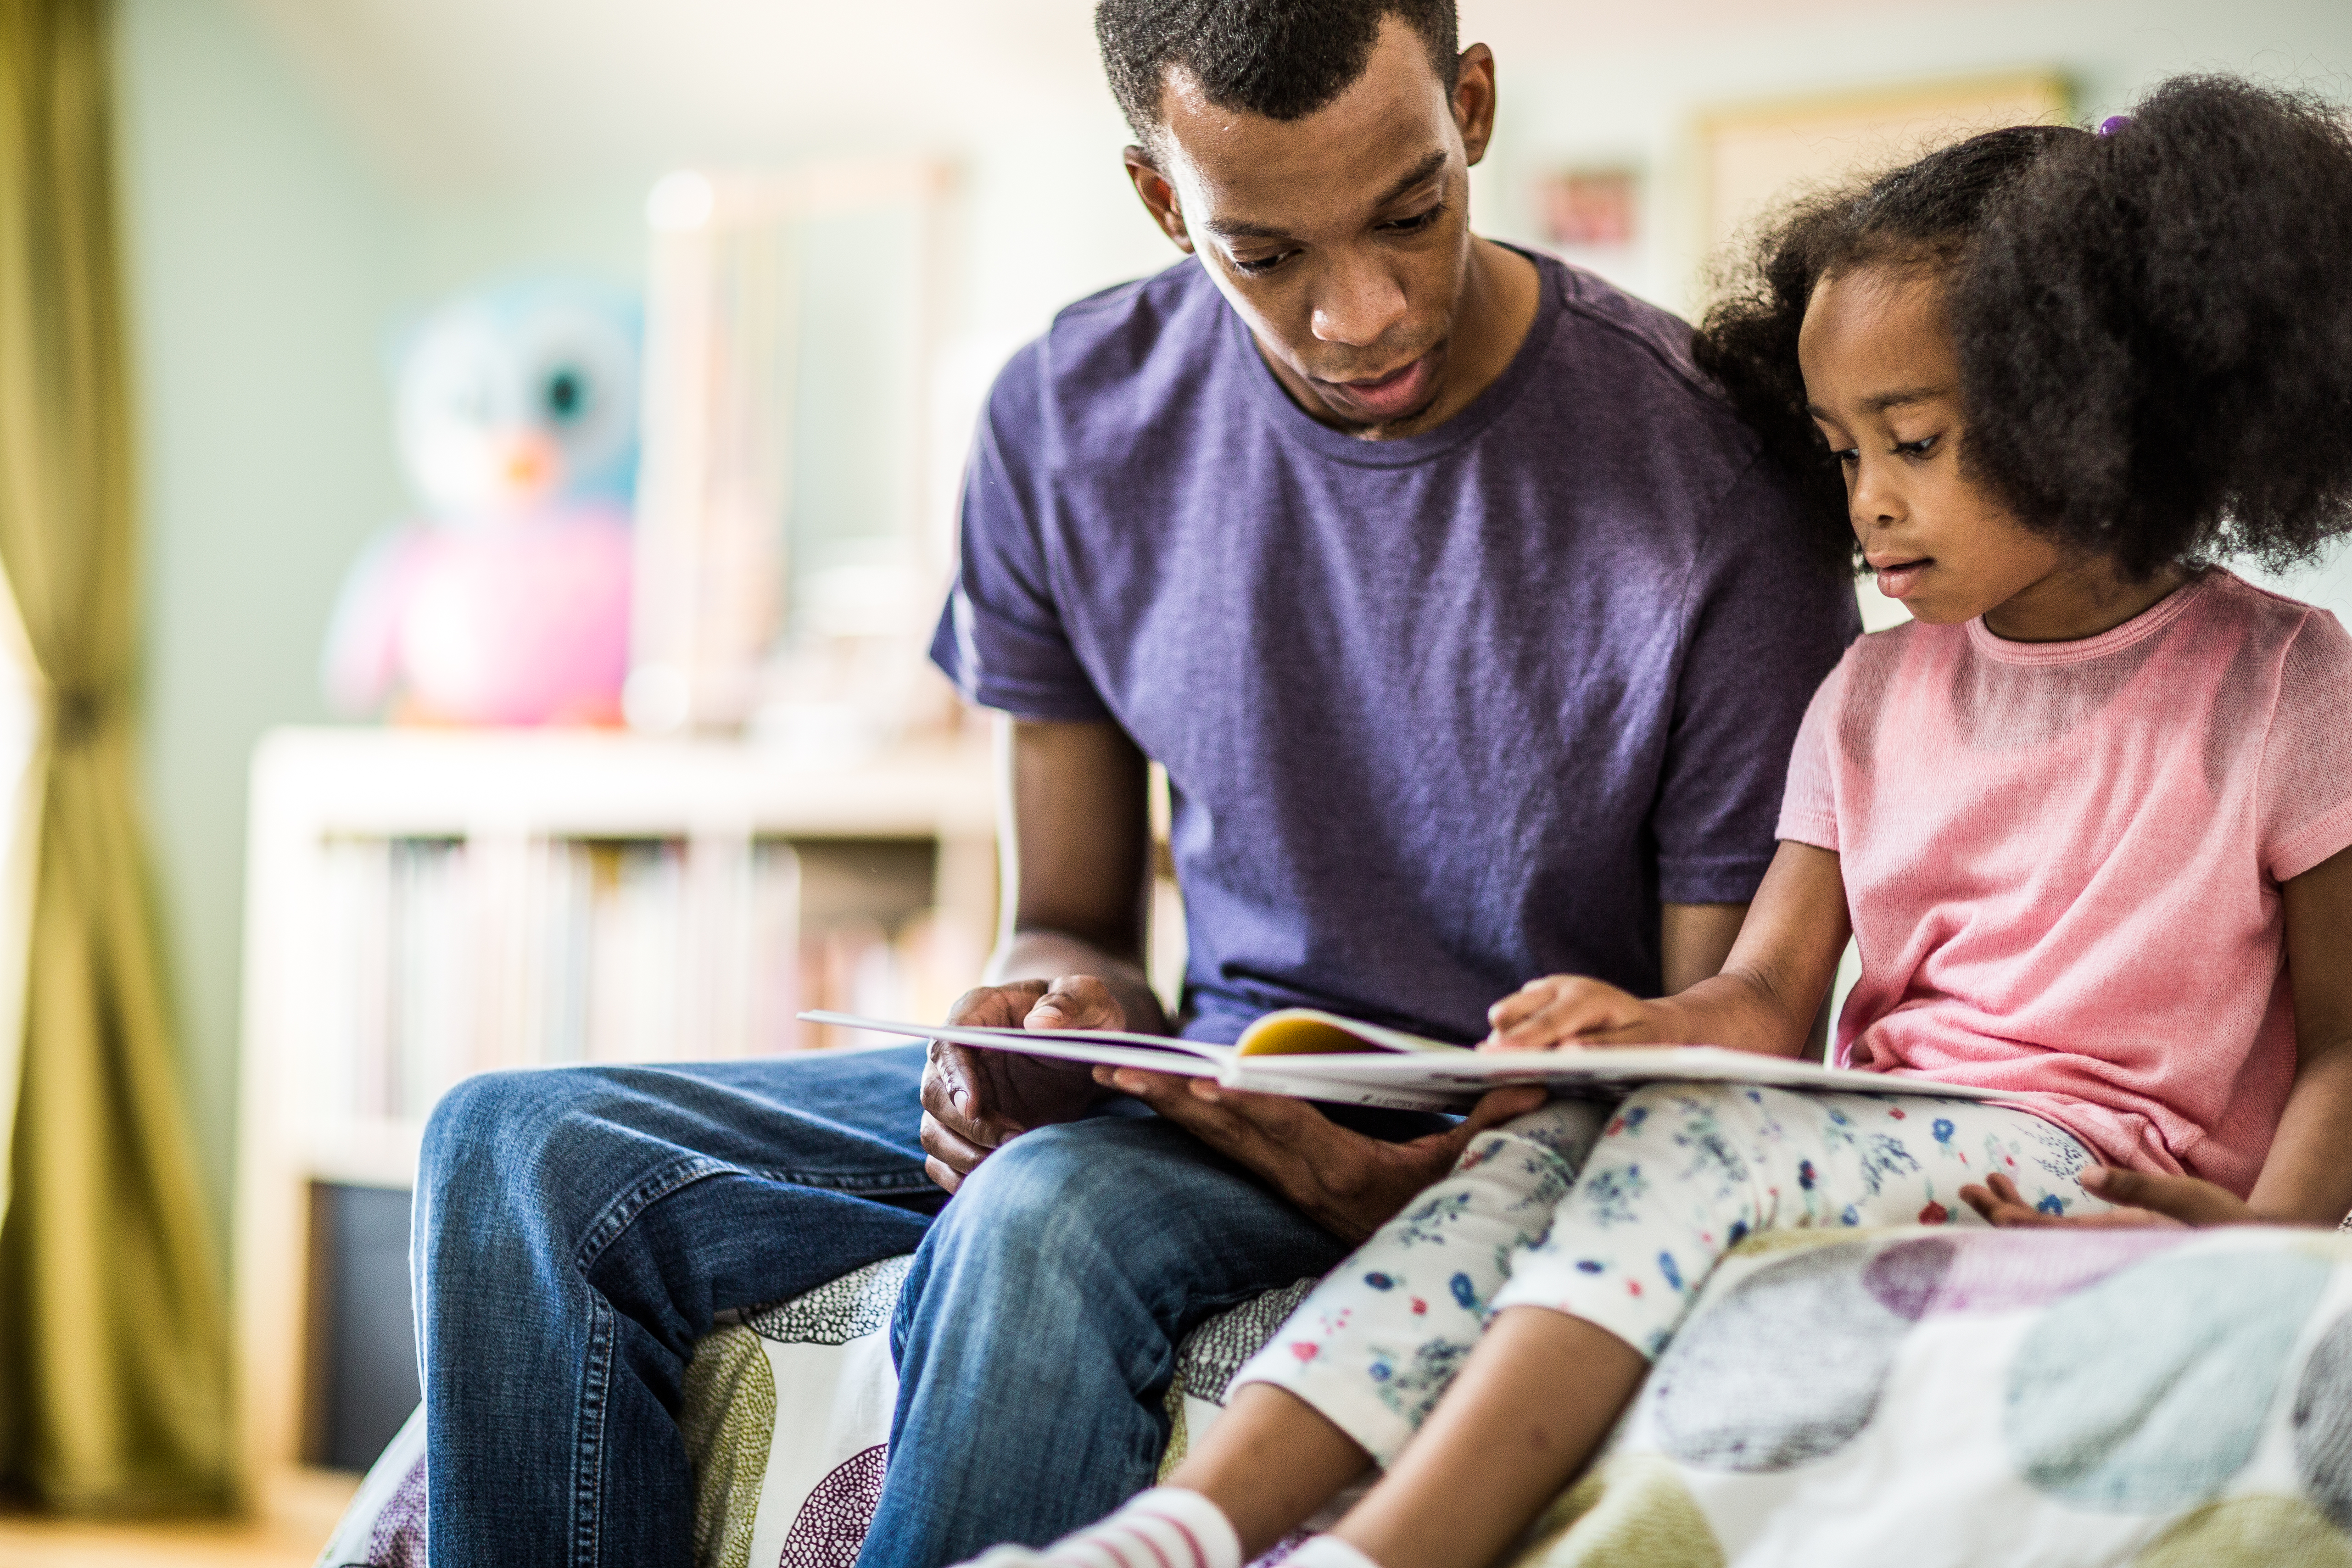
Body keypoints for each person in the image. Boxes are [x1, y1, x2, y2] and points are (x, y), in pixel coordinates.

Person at [408, 2, 1856, 1564]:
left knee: (1039, 1220)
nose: (1360, 314)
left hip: (1498, 1138)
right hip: (1201, 1080)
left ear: (1475, 108)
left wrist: (1417, 1188)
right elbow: (1074, 919)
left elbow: (1716, 1060)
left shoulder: (1716, 479)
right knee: (507, 1146)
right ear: (1166, 202)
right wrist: (1029, 1023)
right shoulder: (1068, 419)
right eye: (1267, 254)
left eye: (1410, 214)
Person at [954, 76, 2352, 1568]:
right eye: (1839, 453)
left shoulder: (2284, 686)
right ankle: (1180, 1528)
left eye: (1916, 442)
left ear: (2097, 406)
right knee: (1534, 1149)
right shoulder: (1873, 694)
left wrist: (2261, 1240)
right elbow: (1763, 995)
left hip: (2086, 1153)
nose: (1866, 507)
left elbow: (2345, 1039)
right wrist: (1633, 1029)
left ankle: (1386, 1551)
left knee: (1698, 1154)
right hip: (1885, 1130)